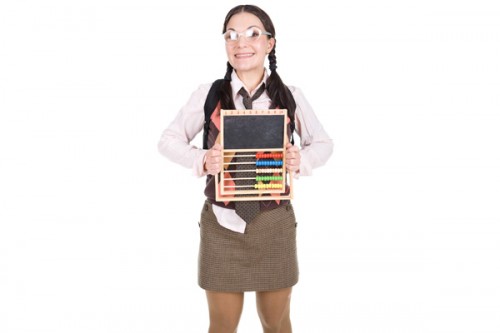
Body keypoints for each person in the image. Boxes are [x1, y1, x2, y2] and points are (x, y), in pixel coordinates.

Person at [158, 4, 333, 332]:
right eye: (231, 35)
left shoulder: (289, 96)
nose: (241, 42)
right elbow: (168, 140)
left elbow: (323, 144)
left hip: (274, 222)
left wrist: (302, 160)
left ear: (270, 43)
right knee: (221, 326)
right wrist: (203, 160)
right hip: (222, 224)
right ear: (225, 44)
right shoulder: (209, 95)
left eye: (253, 34)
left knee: (277, 325)